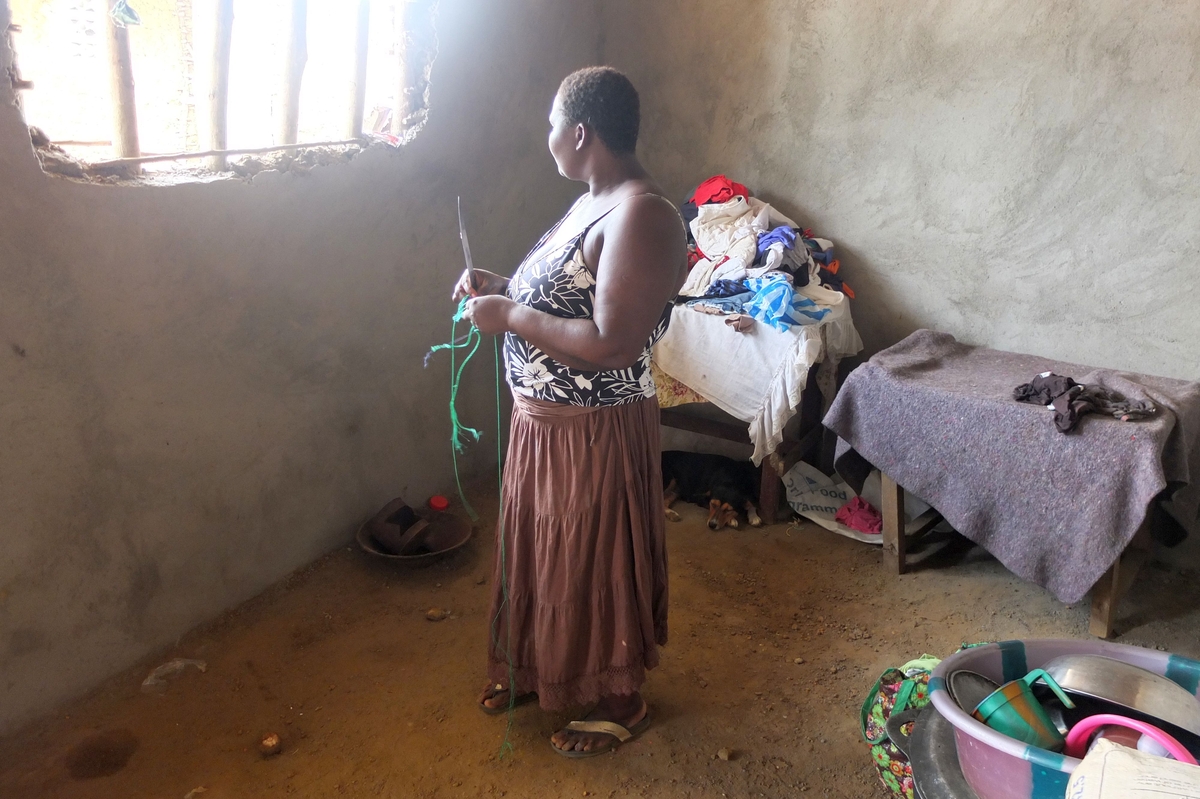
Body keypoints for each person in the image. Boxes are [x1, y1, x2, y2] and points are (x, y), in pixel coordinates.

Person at [452, 66, 688, 757]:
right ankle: (544, 667)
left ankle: (621, 696)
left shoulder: (642, 213)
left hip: (592, 431)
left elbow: (612, 343)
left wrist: (510, 314)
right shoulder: (593, 199)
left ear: (581, 132)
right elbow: (569, 296)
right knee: (545, 554)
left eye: (552, 123)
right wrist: (501, 287)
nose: (547, 136)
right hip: (544, 426)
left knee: (591, 559)